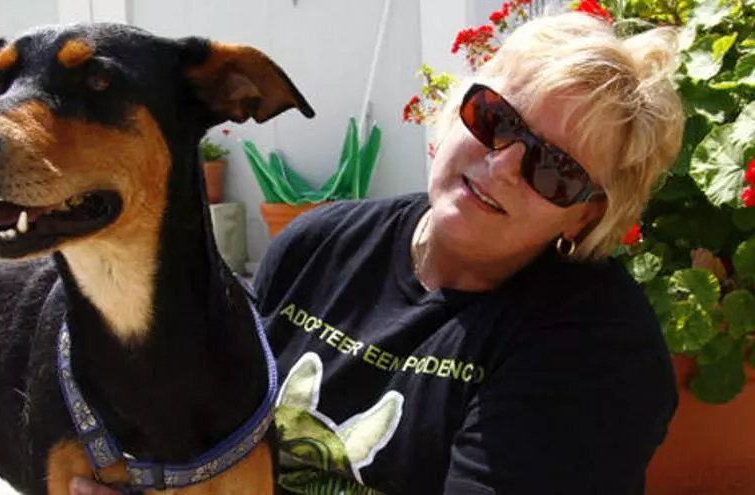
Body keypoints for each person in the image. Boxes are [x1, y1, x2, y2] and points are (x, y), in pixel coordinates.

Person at [70, 9, 685, 495]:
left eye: (554, 171)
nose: (502, 165)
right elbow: (206, 423)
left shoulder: (596, 347)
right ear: (457, 108)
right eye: (496, 119)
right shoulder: (317, 246)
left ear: (586, 215)